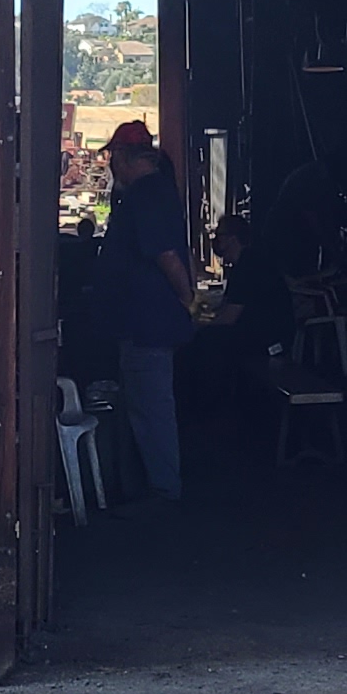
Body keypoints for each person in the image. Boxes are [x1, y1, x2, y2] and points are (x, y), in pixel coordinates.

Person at [102, 121, 194, 499]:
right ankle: (154, 482)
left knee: (152, 408)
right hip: (142, 321)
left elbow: (167, 256)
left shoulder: (147, 195)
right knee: (146, 406)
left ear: (123, 157)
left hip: (147, 324)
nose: (110, 165)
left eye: (112, 157)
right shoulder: (152, 192)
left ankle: (163, 487)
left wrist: (192, 302)